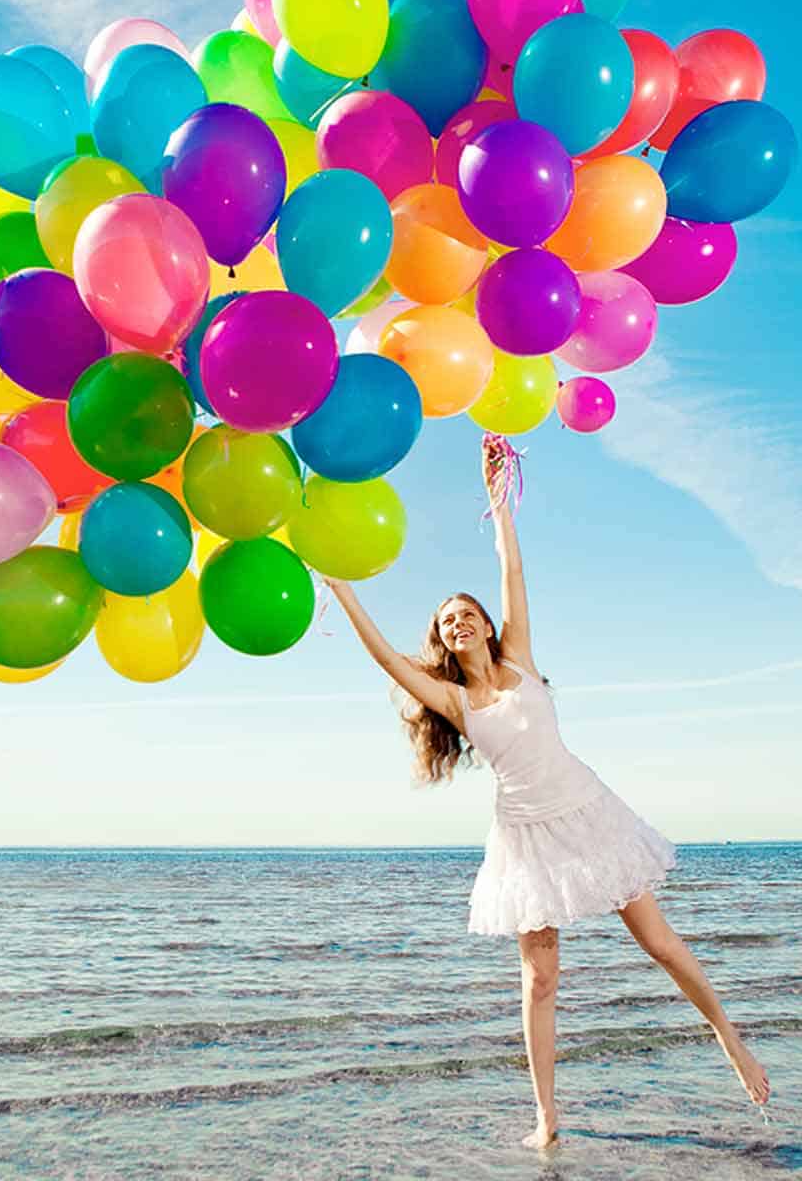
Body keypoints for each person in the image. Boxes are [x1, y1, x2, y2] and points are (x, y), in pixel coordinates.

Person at [320, 436, 771, 1149]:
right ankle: (546, 1118)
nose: (458, 622)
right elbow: (383, 656)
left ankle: (728, 1036)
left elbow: (512, 567)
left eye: (466, 613)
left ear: (486, 624)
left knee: (657, 942)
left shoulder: (521, 658)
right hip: (525, 838)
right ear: (442, 639)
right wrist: (343, 590)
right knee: (540, 980)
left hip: (588, 812)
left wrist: (497, 498)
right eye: (446, 620)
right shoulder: (453, 700)